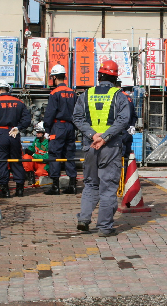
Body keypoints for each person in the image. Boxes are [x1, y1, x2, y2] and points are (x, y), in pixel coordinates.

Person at [72, 60, 130, 237]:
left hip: (90, 145)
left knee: (90, 183)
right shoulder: (120, 96)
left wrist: (93, 135)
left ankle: (84, 218)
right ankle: (104, 227)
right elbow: (123, 120)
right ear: (115, 78)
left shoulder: (86, 94)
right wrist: (104, 137)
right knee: (108, 187)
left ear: (99, 76)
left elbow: (77, 118)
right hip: (110, 147)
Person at [0, 81, 31, 198]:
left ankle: (5, 190)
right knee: (16, 161)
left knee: (0, 162)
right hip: (14, 134)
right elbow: (27, 120)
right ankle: (19, 189)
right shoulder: (19, 103)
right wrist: (18, 128)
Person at [43, 64, 78, 195]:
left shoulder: (54, 93)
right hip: (70, 126)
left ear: (55, 77)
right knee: (70, 155)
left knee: (54, 154)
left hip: (58, 126)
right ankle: (73, 184)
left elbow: (50, 112)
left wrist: (47, 128)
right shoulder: (72, 92)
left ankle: (55, 186)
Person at [115, 77, 138, 160]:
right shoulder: (128, 97)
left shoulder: (116, 96)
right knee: (126, 156)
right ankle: (125, 173)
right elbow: (134, 115)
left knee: (118, 156)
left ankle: (121, 173)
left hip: (119, 131)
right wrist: (132, 125)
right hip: (128, 130)